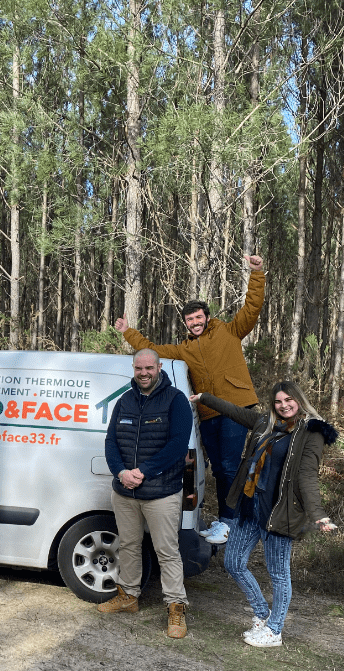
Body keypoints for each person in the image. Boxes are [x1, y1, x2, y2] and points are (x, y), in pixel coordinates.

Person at [115, 254, 265, 545]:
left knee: (230, 466)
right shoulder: (184, 349)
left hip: (236, 407)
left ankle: (231, 522)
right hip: (208, 412)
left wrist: (256, 274)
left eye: (198, 317)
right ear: (185, 323)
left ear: (206, 317)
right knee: (218, 468)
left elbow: (252, 308)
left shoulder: (229, 331)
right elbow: (151, 350)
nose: (195, 322)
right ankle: (228, 520)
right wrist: (128, 332)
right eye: (189, 319)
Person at [190, 383, 337, 647]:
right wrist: (205, 398)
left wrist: (318, 514)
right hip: (251, 507)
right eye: (278, 401)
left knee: (278, 574)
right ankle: (261, 614)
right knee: (233, 563)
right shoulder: (266, 423)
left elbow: (307, 476)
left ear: (299, 400)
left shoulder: (310, 431)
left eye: (289, 400)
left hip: (280, 513)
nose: (284, 405)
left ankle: (275, 630)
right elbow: (234, 411)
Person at [98, 349, 192, 639]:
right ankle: (128, 597)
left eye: (149, 367)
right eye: (139, 368)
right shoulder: (124, 400)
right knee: (128, 545)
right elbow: (111, 440)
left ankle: (176, 608)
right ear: (134, 368)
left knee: (167, 551)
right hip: (125, 491)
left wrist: (144, 471)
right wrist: (120, 472)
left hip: (161, 491)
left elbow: (178, 445)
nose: (144, 373)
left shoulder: (176, 401)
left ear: (159, 367)